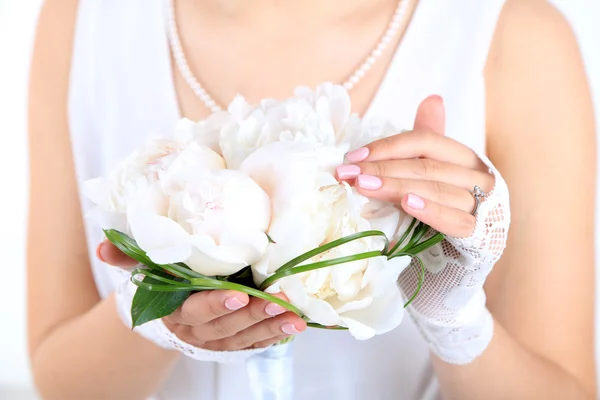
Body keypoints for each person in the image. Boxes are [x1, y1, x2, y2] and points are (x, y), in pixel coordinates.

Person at [27, 0, 596, 399]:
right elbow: (60, 381)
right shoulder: (83, 20)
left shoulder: (513, 35)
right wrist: (154, 316)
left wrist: (452, 313)